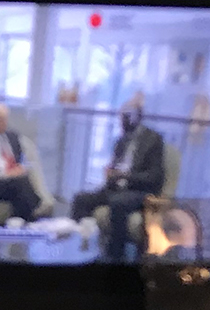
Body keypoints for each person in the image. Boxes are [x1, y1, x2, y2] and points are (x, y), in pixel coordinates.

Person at [70, 98, 168, 261]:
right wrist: (111, 174)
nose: (121, 121)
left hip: (140, 192)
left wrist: (124, 175)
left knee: (118, 203)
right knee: (81, 199)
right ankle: (78, 247)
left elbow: (154, 177)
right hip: (116, 188)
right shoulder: (121, 141)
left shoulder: (153, 140)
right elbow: (116, 170)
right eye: (121, 116)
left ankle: (115, 255)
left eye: (125, 117)